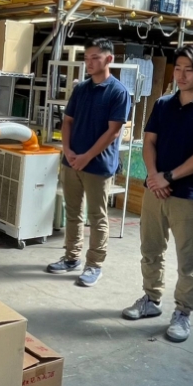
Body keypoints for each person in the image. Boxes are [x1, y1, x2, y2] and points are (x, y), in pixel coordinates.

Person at [122, 43, 193, 343]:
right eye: (177, 68)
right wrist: (153, 176)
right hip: (155, 191)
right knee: (151, 249)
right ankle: (151, 299)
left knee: (188, 258)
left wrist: (168, 177)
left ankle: (183, 312)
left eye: (188, 70)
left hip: (189, 196)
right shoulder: (163, 104)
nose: (181, 75)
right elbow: (149, 142)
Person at [46, 38, 132, 287]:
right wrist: (68, 150)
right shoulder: (81, 89)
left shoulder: (118, 92)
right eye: (87, 58)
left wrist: (86, 156)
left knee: (97, 216)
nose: (90, 63)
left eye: (96, 57)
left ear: (109, 59)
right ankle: (71, 257)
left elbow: (113, 131)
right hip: (71, 161)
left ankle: (94, 265)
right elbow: (68, 121)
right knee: (72, 213)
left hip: (98, 165)